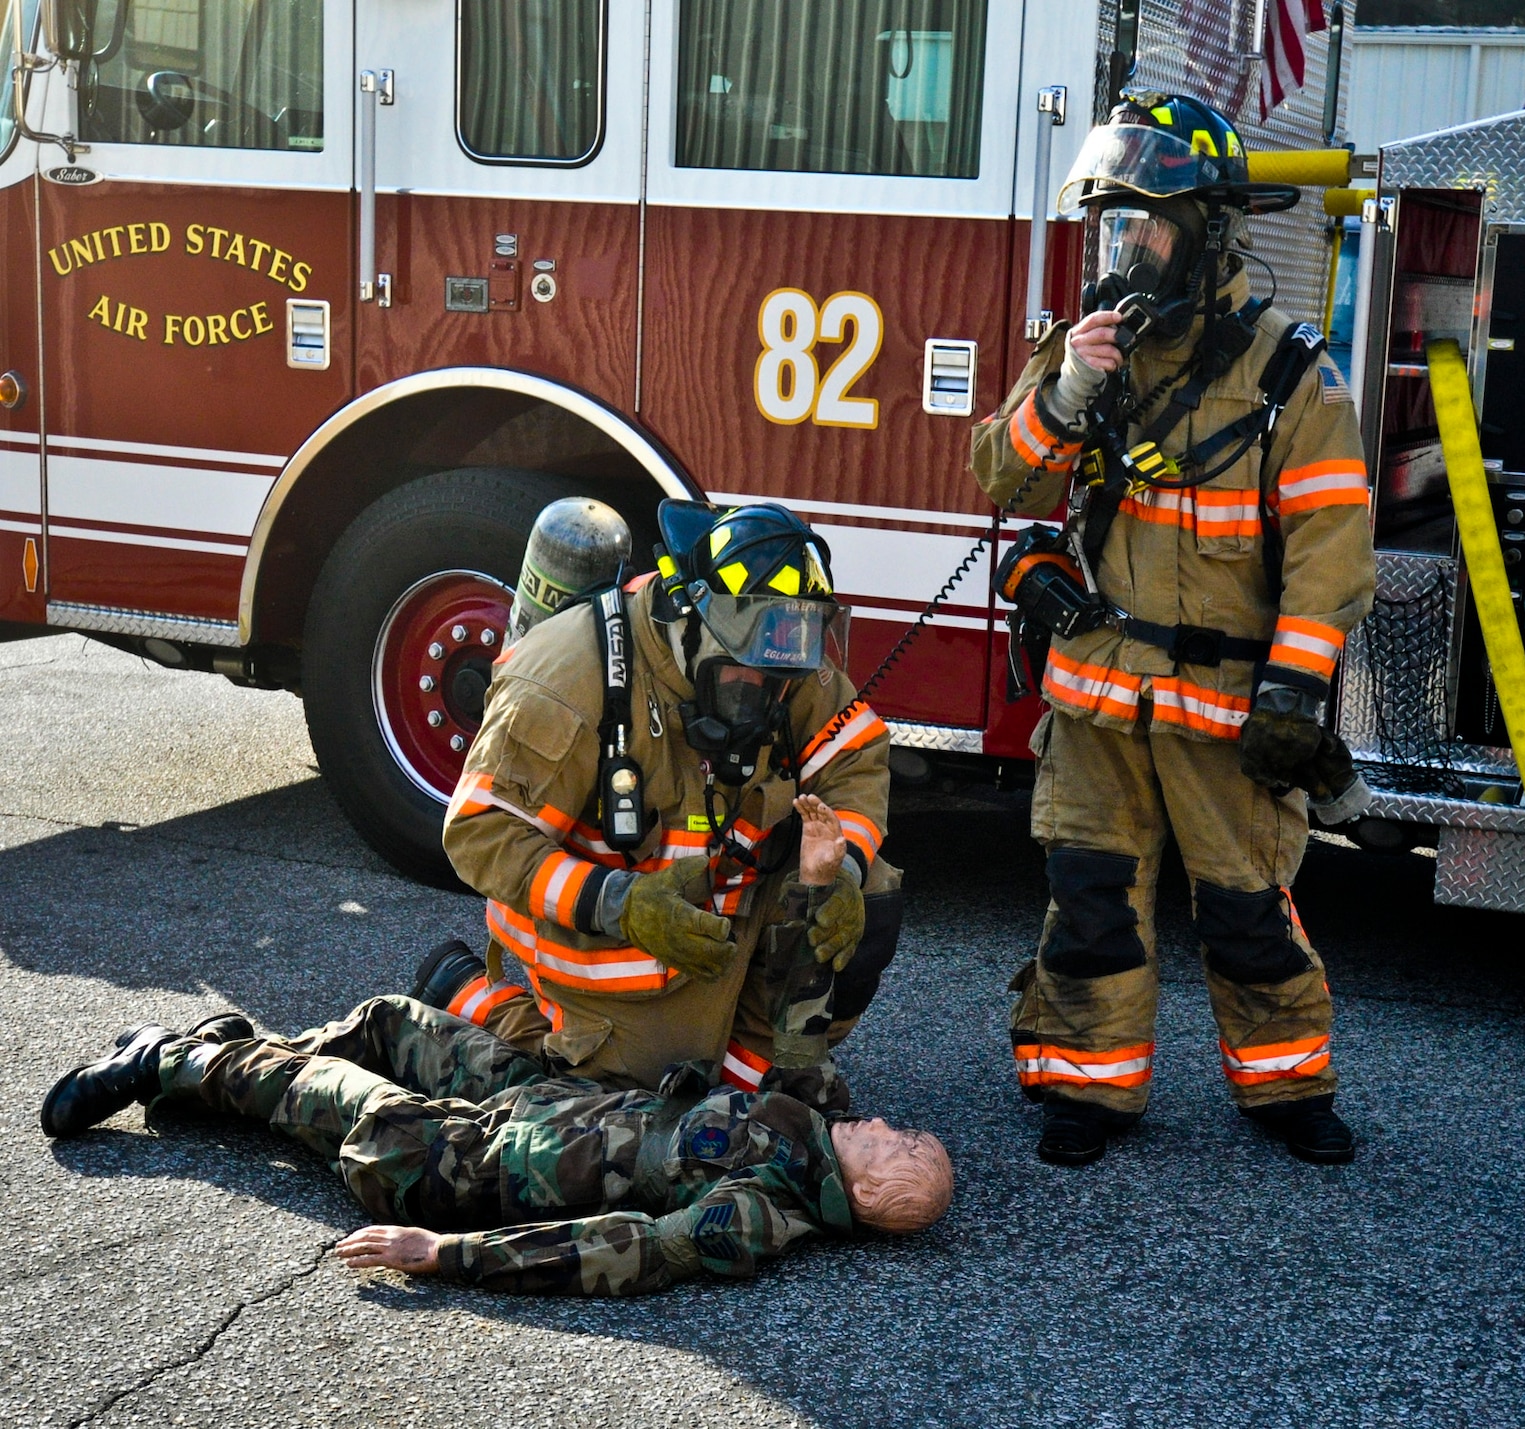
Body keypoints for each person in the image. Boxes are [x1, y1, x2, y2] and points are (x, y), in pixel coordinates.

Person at [971, 92, 1377, 1168]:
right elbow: (1002, 474)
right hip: (1095, 700)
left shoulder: (1287, 372)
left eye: (1147, 225)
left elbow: (1332, 549)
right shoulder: (1087, 351)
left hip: (1224, 708)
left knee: (1246, 909)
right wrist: (1066, 387)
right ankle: (1085, 1087)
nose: (1126, 250)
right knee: (1090, 901)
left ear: (1206, 231)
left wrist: (1293, 692)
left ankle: (1287, 1087)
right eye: (1113, 226)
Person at [431, 499, 899, 1108]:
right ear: (688, 623)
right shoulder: (566, 678)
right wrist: (622, 905)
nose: (764, 693)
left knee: (871, 895)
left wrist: (845, 871)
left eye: (778, 675)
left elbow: (854, 759)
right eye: (742, 674)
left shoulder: (770, 639)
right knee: (630, 1104)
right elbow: (480, 833)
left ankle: (751, 1080)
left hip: (720, 917)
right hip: (606, 939)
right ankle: (471, 995)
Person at [39, 993, 953, 1296]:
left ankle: (164, 1058)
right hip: (539, 1098)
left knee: (323, 1095)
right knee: (392, 1021)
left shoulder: (758, 1215)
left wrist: (445, 1252)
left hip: (464, 1164)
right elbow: (802, 1022)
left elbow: (621, 1249)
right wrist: (822, 878)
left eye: (900, 1142)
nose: (886, 1125)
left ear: (870, 1196)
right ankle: (226, 1060)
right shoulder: (817, 1118)